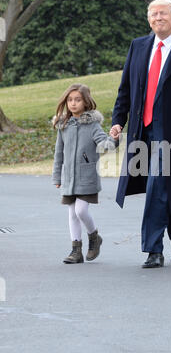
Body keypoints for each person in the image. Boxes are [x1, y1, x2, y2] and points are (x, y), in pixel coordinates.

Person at [110, 0, 171, 268]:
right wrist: (118, 120)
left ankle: (153, 249)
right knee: (162, 186)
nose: (158, 18)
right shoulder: (138, 47)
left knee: (157, 184)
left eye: (163, 13)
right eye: (153, 14)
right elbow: (126, 89)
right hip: (142, 131)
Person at [52, 83, 119, 264]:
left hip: (87, 177)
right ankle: (76, 251)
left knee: (81, 210)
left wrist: (114, 138)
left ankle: (94, 237)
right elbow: (59, 153)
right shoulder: (63, 125)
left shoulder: (92, 125)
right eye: (70, 100)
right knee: (72, 213)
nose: (73, 103)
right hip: (69, 179)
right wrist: (57, 177)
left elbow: (106, 145)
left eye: (77, 100)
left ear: (86, 102)